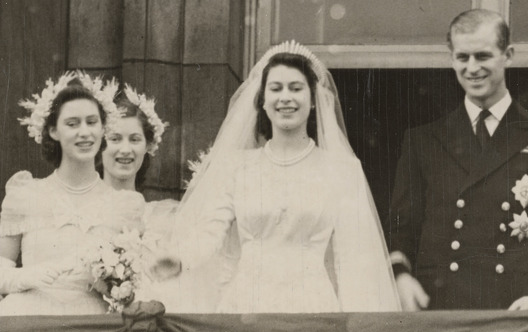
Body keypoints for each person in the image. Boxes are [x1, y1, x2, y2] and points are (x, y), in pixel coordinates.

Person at [152, 41, 401, 313]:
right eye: (276, 88)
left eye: (296, 88)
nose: (285, 98)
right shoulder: (237, 167)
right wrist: (180, 259)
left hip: (312, 307)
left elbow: (353, 257)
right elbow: (208, 231)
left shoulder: (341, 170)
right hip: (246, 305)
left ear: (314, 99)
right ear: (263, 100)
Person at [387, 9, 528, 311]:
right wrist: (400, 276)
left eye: (483, 56)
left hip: (516, 307)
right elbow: (402, 227)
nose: (472, 68)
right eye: (462, 57)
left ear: (509, 55)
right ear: (451, 58)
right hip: (440, 305)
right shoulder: (422, 141)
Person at [0, 72, 145, 315]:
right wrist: (28, 276)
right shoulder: (25, 195)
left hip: (95, 328)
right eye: (72, 123)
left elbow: (134, 284)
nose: (85, 132)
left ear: (103, 129)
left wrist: (111, 284)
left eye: (92, 122)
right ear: (53, 131)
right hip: (28, 321)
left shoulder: (126, 206)